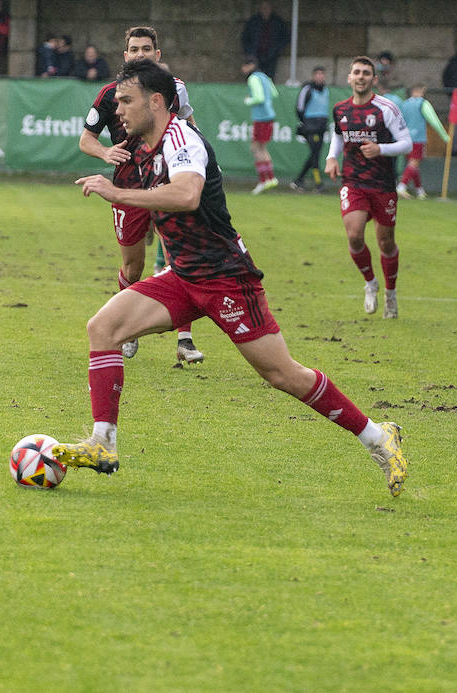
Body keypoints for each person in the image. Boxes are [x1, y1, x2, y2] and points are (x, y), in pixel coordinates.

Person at [56, 58, 407, 497]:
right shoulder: (140, 147)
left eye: (126, 101)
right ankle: (102, 442)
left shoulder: (182, 138)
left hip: (226, 278)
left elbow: (186, 194)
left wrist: (117, 192)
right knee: (103, 328)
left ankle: (378, 436)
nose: (118, 110)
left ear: (157, 101)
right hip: (184, 275)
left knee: (283, 376)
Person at [78, 25, 203, 366]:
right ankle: (127, 326)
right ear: (125, 55)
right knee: (133, 268)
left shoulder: (175, 89)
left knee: (181, 257)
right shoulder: (109, 94)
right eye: (134, 49)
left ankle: (185, 339)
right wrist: (105, 154)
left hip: (166, 184)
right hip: (127, 189)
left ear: (157, 55)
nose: (140, 55)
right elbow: (86, 139)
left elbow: (190, 126)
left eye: (146, 49)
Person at [324, 57, 412, 319]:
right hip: (353, 183)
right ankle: (370, 283)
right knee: (354, 236)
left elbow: (407, 143)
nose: (360, 77)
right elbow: (338, 136)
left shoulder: (386, 109)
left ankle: (391, 293)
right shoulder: (340, 109)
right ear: (349, 78)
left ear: (374, 79)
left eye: (366, 73)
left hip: (383, 185)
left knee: (386, 243)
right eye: (356, 73)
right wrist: (331, 157)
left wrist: (380, 149)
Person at [396, 83, 450, 200]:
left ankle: (420, 191)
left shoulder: (404, 104)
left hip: (406, 138)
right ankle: (401, 186)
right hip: (418, 138)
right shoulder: (423, 103)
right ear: (422, 91)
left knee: (413, 165)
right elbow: (433, 120)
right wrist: (444, 135)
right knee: (414, 163)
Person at [242, 54, 279, 194]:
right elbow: (274, 94)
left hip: (262, 116)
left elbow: (259, 98)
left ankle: (265, 179)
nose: (243, 69)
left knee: (256, 147)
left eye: (245, 65)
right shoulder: (264, 76)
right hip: (268, 116)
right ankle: (269, 178)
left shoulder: (253, 78)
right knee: (260, 147)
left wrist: (248, 100)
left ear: (250, 66)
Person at [291, 65, 330, 191]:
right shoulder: (307, 89)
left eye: (322, 74)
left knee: (315, 154)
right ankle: (318, 183)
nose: (320, 77)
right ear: (313, 76)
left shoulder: (326, 90)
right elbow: (299, 108)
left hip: (321, 127)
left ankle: (299, 180)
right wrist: (306, 123)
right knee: (315, 154)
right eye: (317, 74)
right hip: (311, 127)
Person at [240, 0, 288, 80]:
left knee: (269, 79)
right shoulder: (253, 22)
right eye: (263, 7)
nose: (265, 10)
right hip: (255, 56)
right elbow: (245, 38)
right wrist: (249, 52)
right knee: (254, 78)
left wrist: (276, 49)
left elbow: (285, 37)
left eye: (267, 7)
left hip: (271, 56)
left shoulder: (278, 22)